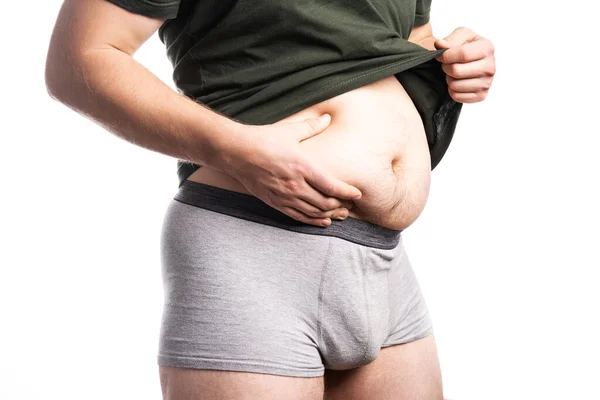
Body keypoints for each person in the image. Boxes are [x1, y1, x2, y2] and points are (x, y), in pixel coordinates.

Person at [45, 0, 495, 398]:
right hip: (253, 247)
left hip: (385, 266)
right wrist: (234, 150)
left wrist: (458, 62)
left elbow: (403, 45)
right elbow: (80, 58)